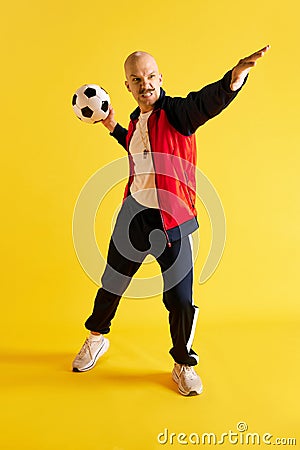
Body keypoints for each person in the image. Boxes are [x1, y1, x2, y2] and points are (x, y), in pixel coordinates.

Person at [72, 46, 270, 396]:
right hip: (134, 215)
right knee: (111, 283)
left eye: (150, 76)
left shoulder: (179, 113)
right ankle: (96, 338)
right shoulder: (136, 121)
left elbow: (206, 102)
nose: (144, 83)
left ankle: (183, 364)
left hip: (173, 220)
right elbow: (136, 147)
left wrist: (234, 78)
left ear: (160, 78)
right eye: (136, 79)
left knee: (180, 300)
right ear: (128, 87)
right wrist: (112, 126)